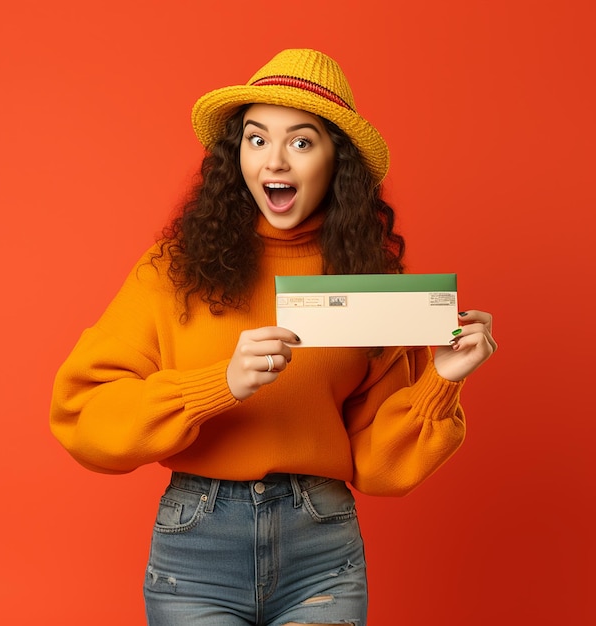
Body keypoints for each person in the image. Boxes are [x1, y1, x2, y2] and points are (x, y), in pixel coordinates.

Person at [50, 48, 497, 626]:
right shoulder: (175, 269)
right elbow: (82, 412)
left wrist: (441, 379)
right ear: (235, 154)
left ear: (339, 161)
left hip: (322, 551)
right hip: (197, 548)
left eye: (302, 142)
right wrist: (219, 385)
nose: (274, 162)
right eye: (257, 139)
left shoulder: (372, 285)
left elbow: (377, 466)